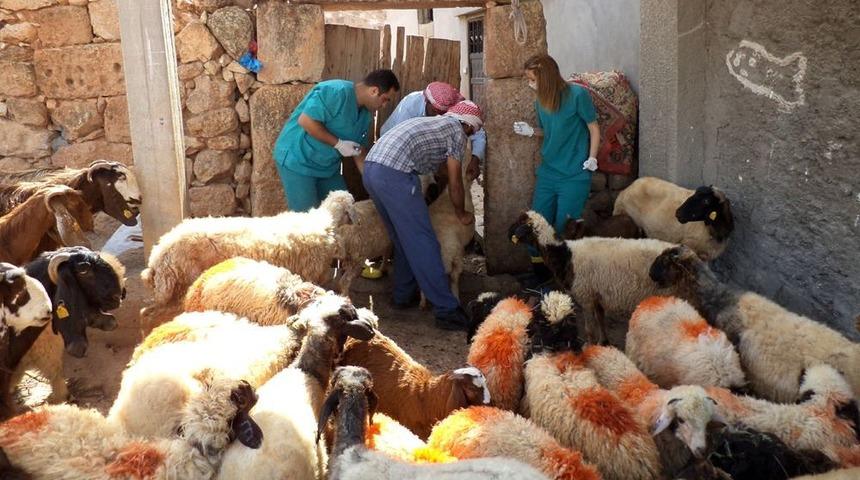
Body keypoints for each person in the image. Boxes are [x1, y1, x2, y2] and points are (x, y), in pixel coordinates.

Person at [362, 101, 483, 330]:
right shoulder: (457, 133)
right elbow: (455, 183)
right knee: (423, 240)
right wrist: (461, 212)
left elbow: (438, 167)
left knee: (402, 237)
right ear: (468, 126)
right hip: (395, 174)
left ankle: (403, 295)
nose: (470, 135)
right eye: (472, 131)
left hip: (372, 169)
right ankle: (447, 310)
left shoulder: (435, 123)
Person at [513, 54, 601, 288]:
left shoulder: (578, 95)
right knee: (535, 225)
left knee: (563, 229)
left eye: (532, 79)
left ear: (546, 77)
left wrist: (592, 158)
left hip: (574, 175)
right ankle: (541, 277)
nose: (530, 84)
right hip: (549, 172)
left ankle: (562, 281)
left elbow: (593, 128)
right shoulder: (540, 101)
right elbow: (549, 131)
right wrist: (532, 131)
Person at [272, 69, 400, 212]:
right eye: (385, 99)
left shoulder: (365, 117)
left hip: (327, 168)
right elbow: (306, 121)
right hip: (298, 159)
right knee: (306, 217)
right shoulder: (336, 91)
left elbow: (359, 152)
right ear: (374, 91)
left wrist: (374, 186)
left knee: (344, 210)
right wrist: (339, 144)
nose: (384, 105)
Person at [380, 81, 485, 181]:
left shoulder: (453, 103)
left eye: (442, 113)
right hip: (391, 148)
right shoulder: (410, 106)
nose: (438, 116)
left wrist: (475, 160)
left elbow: (477, 130)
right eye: (435, 111)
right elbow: (400, 143)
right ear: (427, 102)